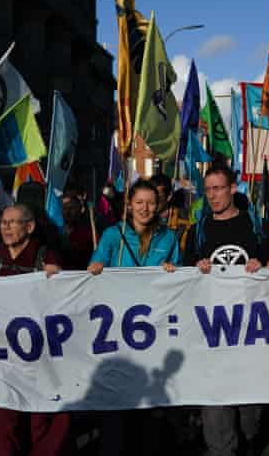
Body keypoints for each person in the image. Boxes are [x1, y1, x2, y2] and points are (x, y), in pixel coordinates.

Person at [184, 163, 269, 456]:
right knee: (216, 413)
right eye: (208, 190)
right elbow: (184, 277)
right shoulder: (198, 230)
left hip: (249, 331)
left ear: (231, 189)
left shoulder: (253, 226)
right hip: (212, 332)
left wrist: (265, 264)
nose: (212, 196)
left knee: (249, 419)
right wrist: (195, 268)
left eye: (218, 189)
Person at [0, 204, 69, 456]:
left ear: (29, 227)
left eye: (13, 222)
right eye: (4, 222)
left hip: (40, 355)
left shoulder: (46, 257)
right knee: (3, 419)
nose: (6, 227)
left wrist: (59, 280)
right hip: (4, 353)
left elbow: (64, 301)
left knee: (41, 421)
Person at [85, 179, 179, 455]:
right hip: (118, 333)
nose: (145, 208)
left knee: (151, 406)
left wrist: (174, 270)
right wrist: (96, 267)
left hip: (154, 331)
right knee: (117, 406)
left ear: (159, 205)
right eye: (139, 202)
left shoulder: (169, 237)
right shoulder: (113, 234)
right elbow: (93, 270)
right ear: (129, 204)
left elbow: (182, 284)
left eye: (151, 202)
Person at [61, 191, 95, 269]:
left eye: (71, 208)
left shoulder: (87, 233)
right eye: (65, 208)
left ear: (79, 209)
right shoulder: (56, 233)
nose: (68, 212)